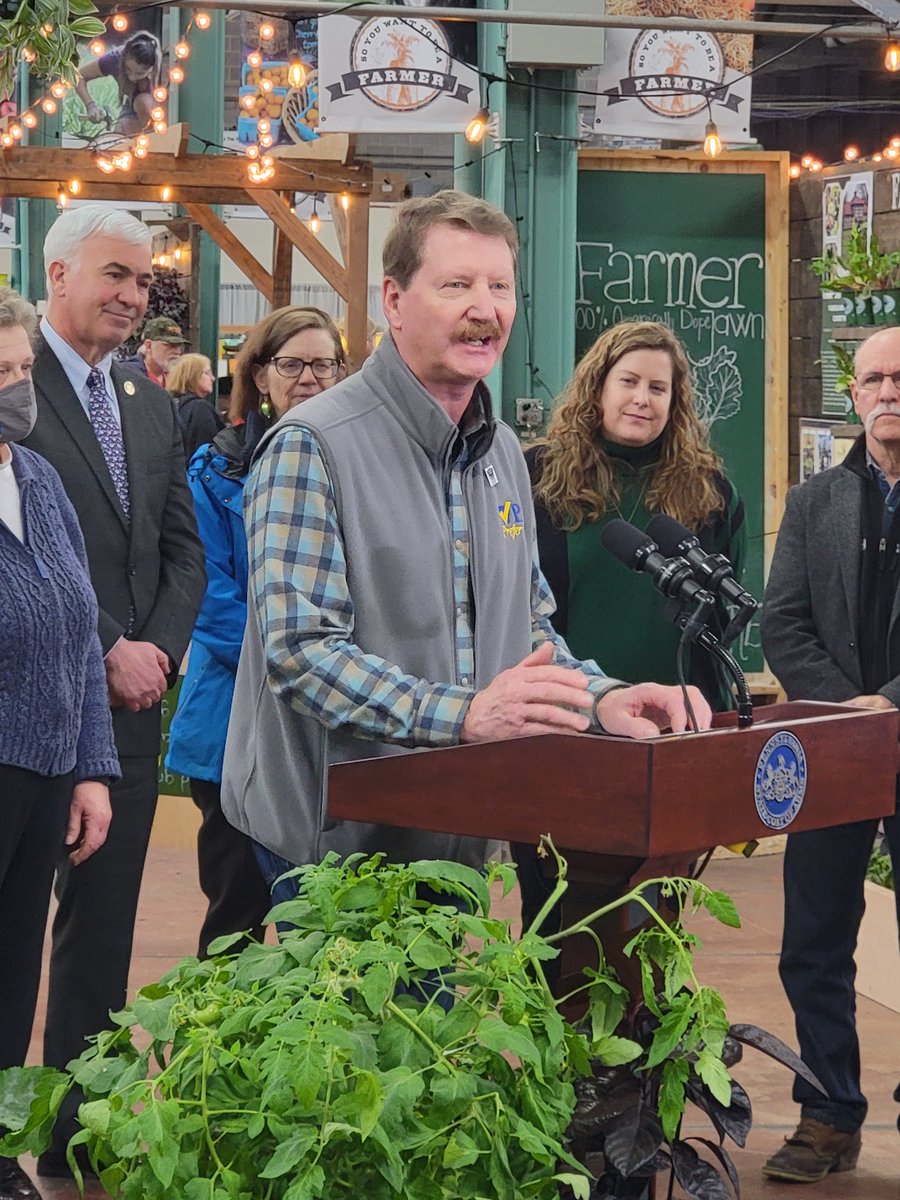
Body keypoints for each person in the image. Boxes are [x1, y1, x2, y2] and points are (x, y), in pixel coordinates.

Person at [220, 189, 712, 898]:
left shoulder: (502, 454)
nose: (485, 308)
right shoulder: (313, 444)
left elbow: (529, 627)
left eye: (500, 287)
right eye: (457, 285)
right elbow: (300, 652)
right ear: (394, 301)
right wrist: (465, 715)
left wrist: (603, 701)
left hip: (461, 832)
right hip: (336, 852)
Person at [21, 204, 205, 1180]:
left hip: (127, 721)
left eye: (143, 281)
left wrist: (156, 653)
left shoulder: (146, 401)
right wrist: (106, 648)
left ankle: (73, 1132)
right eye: (116, 276)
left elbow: (185, 547)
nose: (134, 296)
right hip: (29, 710)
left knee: (101, 936)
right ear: (57, 275)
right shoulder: (15, 387)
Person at [761, 324, 900, 1184]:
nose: (890, 392)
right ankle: (827, 1113)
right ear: (852, 394)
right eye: (875, 378)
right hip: (830, 750)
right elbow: (781, 623)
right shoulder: (813, 504)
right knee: (813, 937)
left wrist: (888, 704)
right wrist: (851, 710)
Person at [166, 308, 345, 956]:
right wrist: (305, 653)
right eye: (291, 364)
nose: (309, 377)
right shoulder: (213, 474)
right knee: (236, 912)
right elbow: (208, 599)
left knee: (325, 925)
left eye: (323, 363)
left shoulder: (356, 464)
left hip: (329, 730)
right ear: (260, 375)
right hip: (235, 720)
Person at [0, 288, 118, 1200]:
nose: (17, 388)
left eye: (21, 369)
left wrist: (90, 769)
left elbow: (83, 634)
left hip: (44, 770)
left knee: (13, 970)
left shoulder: (36, 478)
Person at [529, 320, 745, 707]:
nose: (642, 398)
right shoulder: (537, 477)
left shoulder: (713, 492)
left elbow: (722, 605)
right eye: (628, 381)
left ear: (674, 402)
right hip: (571, 714)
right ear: (598, 388)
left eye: (658, 388)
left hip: (686, 716)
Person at [74, 30, 163, 137]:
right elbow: (79, 77)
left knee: (144, 102)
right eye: (128, 69)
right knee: (118, 141)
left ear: (152, 69)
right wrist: (90, 106)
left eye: (139, 74)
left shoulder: (166, 70)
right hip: (131, 104)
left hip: (158, 111)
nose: (131, 77)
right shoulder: (114, 58)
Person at [166, 352, 223, 460]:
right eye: (207, 373)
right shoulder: (200, 408)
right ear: (192, 376)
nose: (212, 378)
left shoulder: (172, 404)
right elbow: (207, 451)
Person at [121, 315, 188, 386]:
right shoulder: (127, 375)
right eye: (170, 346)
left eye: (179, 346)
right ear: (149, 346)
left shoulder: (179, 379)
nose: (178, 352)